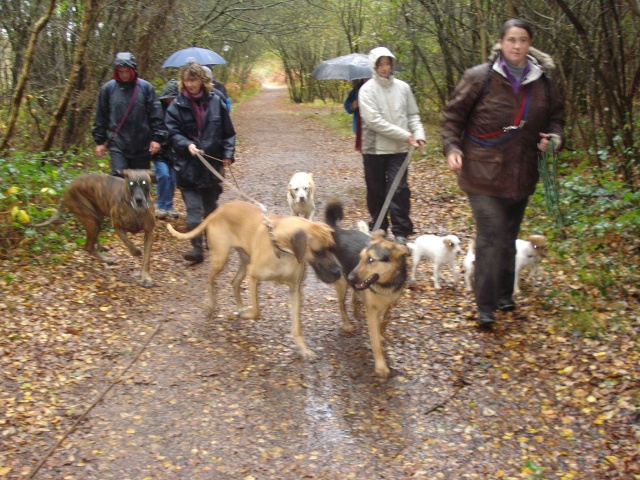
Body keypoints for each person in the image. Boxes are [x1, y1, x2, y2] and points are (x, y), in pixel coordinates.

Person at [441, 18, 564, 328]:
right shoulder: (479, 78)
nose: (517, 45)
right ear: (501, 43)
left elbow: (556, 119)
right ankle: (485, 306)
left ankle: (505, 294)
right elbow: (452, 117)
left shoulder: (544, 83)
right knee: (491, 236)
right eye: (511, 39)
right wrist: (452, 148)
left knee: (508, 237)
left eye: (522, 40)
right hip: (481, 173)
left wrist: (554, 139)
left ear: (529, 44)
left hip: (521, 175)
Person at [165, 61, 236, 263]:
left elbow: (228, 133)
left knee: (211, 208)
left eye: (193, 79)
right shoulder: (176, 105)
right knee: (193, 210)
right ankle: (196, 249)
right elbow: (171, 133)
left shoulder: (216, 102)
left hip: (211, 166)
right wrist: (186, 144)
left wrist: (228, 153)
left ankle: (211, 239)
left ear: (202, 80)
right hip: (187, 166)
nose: (190, 84)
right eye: (186, 80)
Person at [358, 47, 426, 245]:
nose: (385, 68)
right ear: (374, 66)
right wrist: (406, 135)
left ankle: (401, 231)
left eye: (388, 63)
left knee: (399, 190)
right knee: (376, 190)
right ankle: (379, 228)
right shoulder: (366, 90)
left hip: (400, 150)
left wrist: (419, 134)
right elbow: (374, 121)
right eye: (381, 64)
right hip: (375, 149)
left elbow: (412, 114)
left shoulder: (403, 88)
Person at [92, 52, 166, 176]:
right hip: (118, 144)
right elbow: (101, 116)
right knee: (118, 180)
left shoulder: (146, 88)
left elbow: (156, 116)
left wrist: (156, 139)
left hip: (142, 145)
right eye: (120, 71)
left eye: (127, 71)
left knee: (140, 182)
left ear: (133, 70)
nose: (124, 75)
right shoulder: (108, 89)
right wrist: (100, 142)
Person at [153, 79, 179, 219]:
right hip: (160, 151)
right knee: (163, 176)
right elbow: (154, 127)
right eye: (170, 97)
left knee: (173, 179)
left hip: (174, 151)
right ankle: (161, 205)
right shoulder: (157, 109)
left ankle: (169, 206)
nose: (172, 100)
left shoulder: (180, 109)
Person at [343, 78, 366, 152]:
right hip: (360, 125)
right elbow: (347, 106)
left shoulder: (379, 88)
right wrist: (352, 105)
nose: (367, 79)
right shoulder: (356, 90)